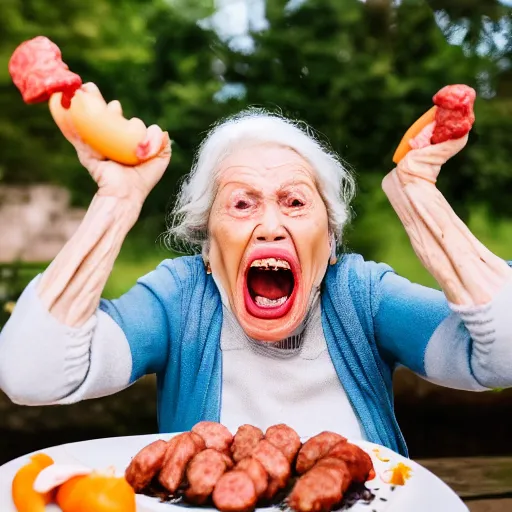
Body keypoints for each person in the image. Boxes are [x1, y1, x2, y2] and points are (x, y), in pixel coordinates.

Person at [1, 93, 511, 457]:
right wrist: (117, 201)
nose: (270, 226)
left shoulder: (361, 294)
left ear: (330, 243)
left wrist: (419, 196)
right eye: (242, 204)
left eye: (294, 202)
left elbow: (503, 356)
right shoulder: (180, 298)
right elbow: (30, 375)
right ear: (207, 246)